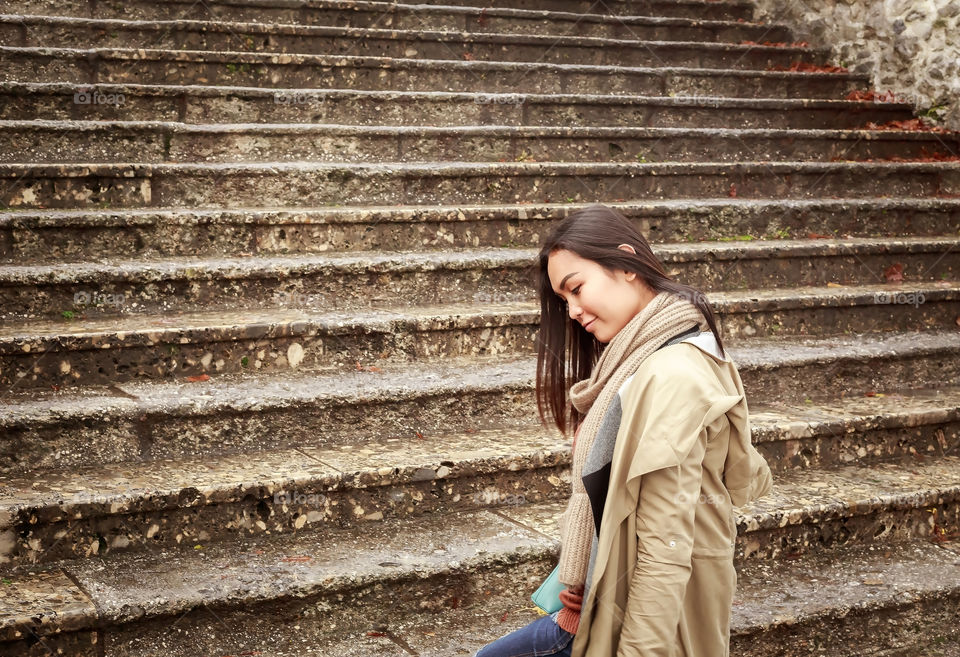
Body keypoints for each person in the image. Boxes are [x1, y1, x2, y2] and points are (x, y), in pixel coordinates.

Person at [475, 204, 773, 657]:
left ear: (627, 264)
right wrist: (590, 572)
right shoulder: (650, 356)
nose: (572, 311)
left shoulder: (670, 373)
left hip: (634, 621)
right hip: (596, 605)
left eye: (576, 289)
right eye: (563, 300)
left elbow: (665, 546)